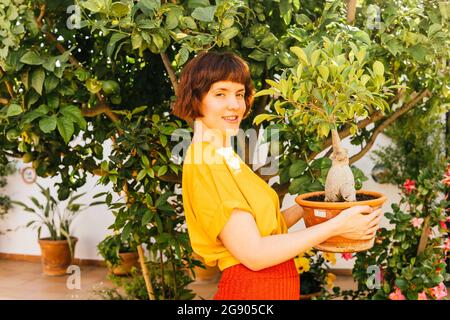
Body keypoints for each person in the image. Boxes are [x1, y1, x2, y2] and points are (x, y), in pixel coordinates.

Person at [172, 51, 382, 300]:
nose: (235, 105)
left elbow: (262, 228)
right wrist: (338, 224)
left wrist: (316, 205)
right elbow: (255, 253)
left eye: (239, 94)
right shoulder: (207, 161)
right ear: (196, 98)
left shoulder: (223, 154)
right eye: (220, 93)